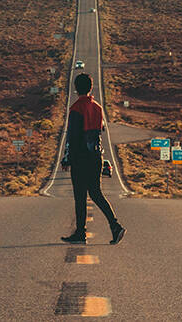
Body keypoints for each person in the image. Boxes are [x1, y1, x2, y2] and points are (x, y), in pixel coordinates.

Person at [60, 72, 125, 245]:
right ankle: (115, 226)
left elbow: (72, 136)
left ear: (76, 88)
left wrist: (67, 159)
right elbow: (100, 131)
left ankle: (81, 234)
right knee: (96, 193)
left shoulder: (75, 108)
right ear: (90, 87)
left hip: (80, 158)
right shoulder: (98, 107)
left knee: (80, 196)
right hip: (96, 157)